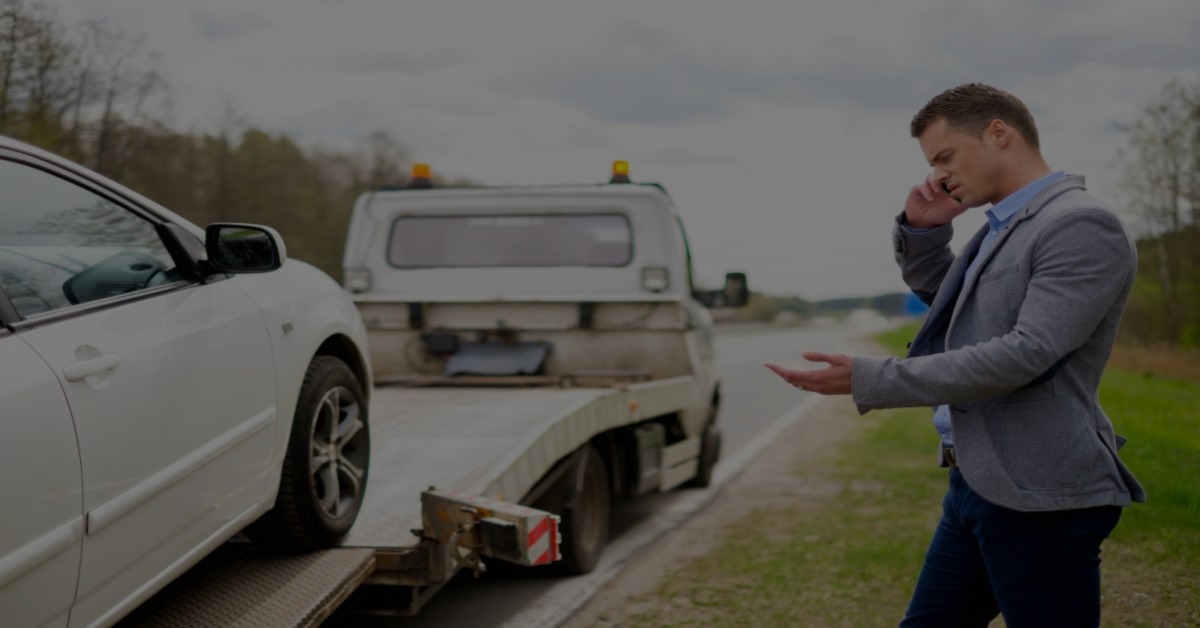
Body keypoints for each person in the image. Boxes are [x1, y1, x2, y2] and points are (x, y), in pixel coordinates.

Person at [765, 83, 1145, 627]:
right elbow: (963, 311)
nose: (938, 175)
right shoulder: (1003, 225)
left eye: (945, 157)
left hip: (1040, 494)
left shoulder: (1079, 223)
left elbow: (1025, 354)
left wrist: (871, 378)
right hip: (977, 481)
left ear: (998, 133)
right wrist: (924, 232)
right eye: (931, 164)